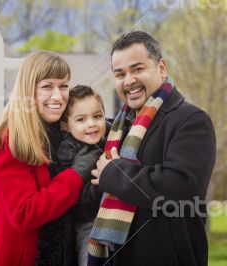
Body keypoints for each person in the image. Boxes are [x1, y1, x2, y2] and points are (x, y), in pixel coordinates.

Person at [88, 31, 216, 266]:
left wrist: (113, 173)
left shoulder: (191, 120)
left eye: (138, 69)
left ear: (161, 67)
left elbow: (182, 185)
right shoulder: (116, 128)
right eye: (120, 74)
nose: (128, 81)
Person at [0, 50, 98, 266]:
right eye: (47, 86)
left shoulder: (59, 134)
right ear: (28, 90)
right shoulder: (8, 140)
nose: (58, 95)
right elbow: (24, 214)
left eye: (63, 86)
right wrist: (77, 173)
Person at [36, 85, 110, 266]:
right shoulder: (67, 151)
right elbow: (73, 196)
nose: (91, 123)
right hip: (87, 220)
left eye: (97, 116)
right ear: (66, 126)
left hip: (113, 214)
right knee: (90, 258)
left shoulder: (110, 135)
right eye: (81, 119)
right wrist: (104, 185)